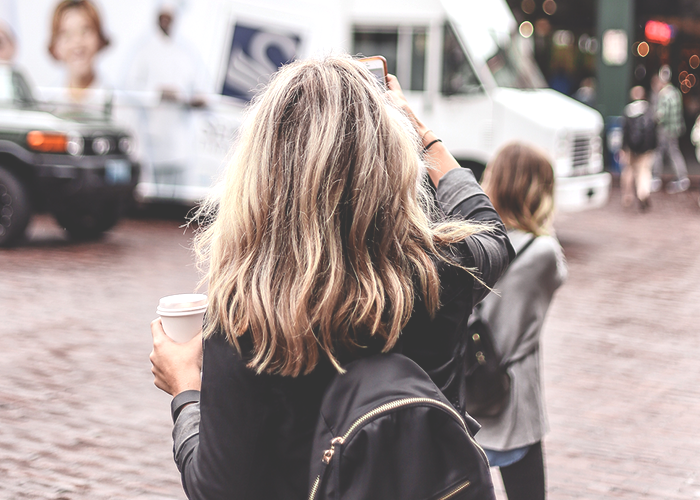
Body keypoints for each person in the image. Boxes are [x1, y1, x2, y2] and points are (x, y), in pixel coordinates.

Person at [149, 55, 513, 498]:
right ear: (390, 158)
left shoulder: (245, 318)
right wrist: (422, 133)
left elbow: (217, 489)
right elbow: (491, 233)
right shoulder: (439, 271)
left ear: (262, 169)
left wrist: (185, 388)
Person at [475, 143, 568, 500]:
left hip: (468, 385)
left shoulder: (473, 240)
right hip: (514, 394)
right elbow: (559, 272)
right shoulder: (541, 252)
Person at [47, 0, 111, 104]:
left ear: (99, 38)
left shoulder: (122, 106)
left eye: (85, 31)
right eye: (66, 34)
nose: (77, 42)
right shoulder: (45, 105)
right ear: (55, 46)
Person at [651, 65, 689, 194]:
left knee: (660, 152)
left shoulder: (664, 94)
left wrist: (653, 120)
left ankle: (656, 178)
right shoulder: (676, 92)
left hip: (665, 130)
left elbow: (661, 115)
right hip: (675, 129)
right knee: (674, 151)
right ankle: (682, 177)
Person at [620, 86, 656, 210]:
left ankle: (627, 196)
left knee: (629, 170)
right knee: (644, 171)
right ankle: (643, 193)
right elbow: (653, 130)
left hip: (631, 148)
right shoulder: (648, 110)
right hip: (645, 149)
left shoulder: (628, 111)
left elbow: (624, 131)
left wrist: (623, 148)